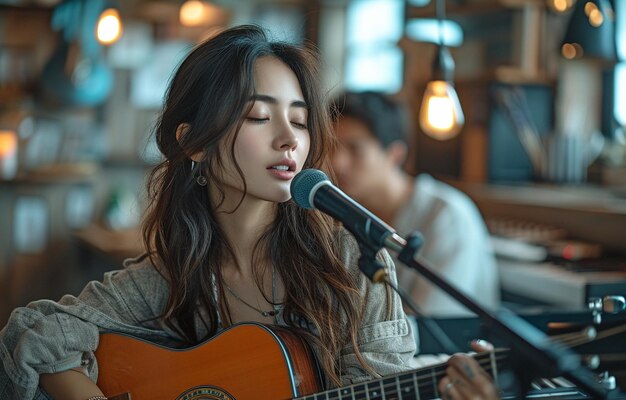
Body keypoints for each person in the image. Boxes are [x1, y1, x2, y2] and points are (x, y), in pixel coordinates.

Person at [0, 25, 498, 400]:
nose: (288, 139)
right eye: (259, 116)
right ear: (194, 143)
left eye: (299, 121)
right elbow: (34, 333)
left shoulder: (350, 264)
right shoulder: (176, 272)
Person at [331, 91, 500, 316]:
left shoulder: (447, 215)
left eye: (355, 149)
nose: (336, 163)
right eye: (331, 147)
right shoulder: (343, 214)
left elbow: (429, 322)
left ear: (395, 154)